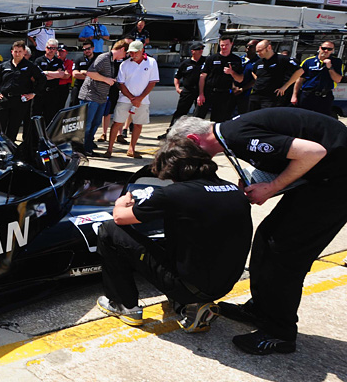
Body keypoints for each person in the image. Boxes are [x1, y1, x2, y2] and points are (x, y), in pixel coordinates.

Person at [168, 110, 347, 355]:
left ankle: (279, 333)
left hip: (335, 184)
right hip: (321, 178)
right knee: (266, 239)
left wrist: (272, 188)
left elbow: (313, 152)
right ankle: (261, 310)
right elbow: (284, 153)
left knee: (284, 253)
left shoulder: (237, 136)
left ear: (194, 139)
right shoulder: (230, 134)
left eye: (185, 149)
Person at [96, 137, 251, 331]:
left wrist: (121, 202)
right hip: (224, 285)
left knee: (109, 230)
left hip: (189, 286)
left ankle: (125, 305)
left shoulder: (174, 194)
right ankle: (188, 306)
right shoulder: (233, 190)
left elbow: (120, 218)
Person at [105, 40, 157, 159]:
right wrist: (132, 98)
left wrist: (140, 98)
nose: (132, 55)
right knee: (117, 123)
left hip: (142, 100)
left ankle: (132, 149)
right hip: (125, 99)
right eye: (130, 53)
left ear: (141, 50)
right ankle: (109, 149)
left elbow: (152, 82)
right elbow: (121, 83)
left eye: (134, 53)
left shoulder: (152, 62)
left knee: (138, 124)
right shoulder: (125, 64)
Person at [0, 40, 47, 143]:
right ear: (12, 52)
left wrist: (33, 93)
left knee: (13, 127)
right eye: (15, 51)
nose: (17, 54)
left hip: (20, 101)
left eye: (20, 51)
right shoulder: (4, 65)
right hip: (4, 100)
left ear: (24, 52)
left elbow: (42, 79)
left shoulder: (30, 66)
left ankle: (10, 151)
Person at [159, 42, 205, 139]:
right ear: (192, 51)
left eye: (202, 49)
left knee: (199, 114)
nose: (201, 51)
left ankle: (195, 134)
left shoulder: (205, 62)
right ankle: (170, 132)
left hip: (200, 92)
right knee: (180, 112)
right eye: (198, 49)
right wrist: (177, 88)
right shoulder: (185, 64)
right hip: (188, 91)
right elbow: (177, 77)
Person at [196, 36, 244, 122]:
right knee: (198, 117)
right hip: (208, 92)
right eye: (222, 45)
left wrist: (231, 72)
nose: (224, 47)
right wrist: (201, 94)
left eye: (226, 45)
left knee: (218, 119)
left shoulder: (236, 60)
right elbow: (202, 76)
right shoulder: (211, 58)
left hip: (223, 93)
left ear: (231, 44)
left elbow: (240, 79)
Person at [249, 39, 303, 112]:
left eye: (260, 50)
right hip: (256, 94)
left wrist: (285, 87)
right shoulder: (259, 62)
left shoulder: (282, 59)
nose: (259, 53)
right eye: (257, 51)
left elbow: (300, 71)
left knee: (267, 117)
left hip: (272, 97)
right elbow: (253, 72)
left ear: (269, 47)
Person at [294, 42, 343, 115]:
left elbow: (338, 79)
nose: (326, 51)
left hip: (324, 96)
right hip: (307, 94)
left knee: (323, 119)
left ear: (332, 51)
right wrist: (294, 96)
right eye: (324, 48)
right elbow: (299, 79)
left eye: (329, 49)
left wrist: (330, 67)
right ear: (320, 48)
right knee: (304, 117)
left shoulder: (337, 62)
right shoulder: (308, 61)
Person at [31, 39, 70, 125]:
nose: (51, 50)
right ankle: (35, 137)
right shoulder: (38, 60)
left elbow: (61, 75)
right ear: (45, 48)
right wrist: (54, 74)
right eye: (49, 48)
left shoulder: (58, 61)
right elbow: (38, 76)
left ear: (56, 50)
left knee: (50, 116)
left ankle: (48, 136)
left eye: (53, 48)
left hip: (53, 92)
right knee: (36, 115)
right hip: (40, 92)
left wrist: (46, 73)